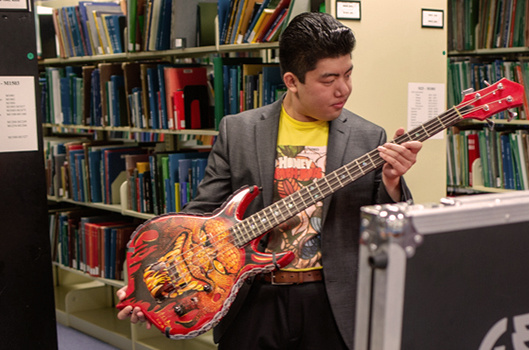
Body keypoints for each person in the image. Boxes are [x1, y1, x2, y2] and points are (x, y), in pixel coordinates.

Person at [117, 11, 422, 350]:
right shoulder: (240, 130)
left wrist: (393, 182)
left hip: (331, 303)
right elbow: (201, 214)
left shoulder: (368, 136)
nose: (344, 89)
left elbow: (390, 228)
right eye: (328, 79)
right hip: (254, 301)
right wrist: (153, 279)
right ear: (292, 81)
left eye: (348, 74)